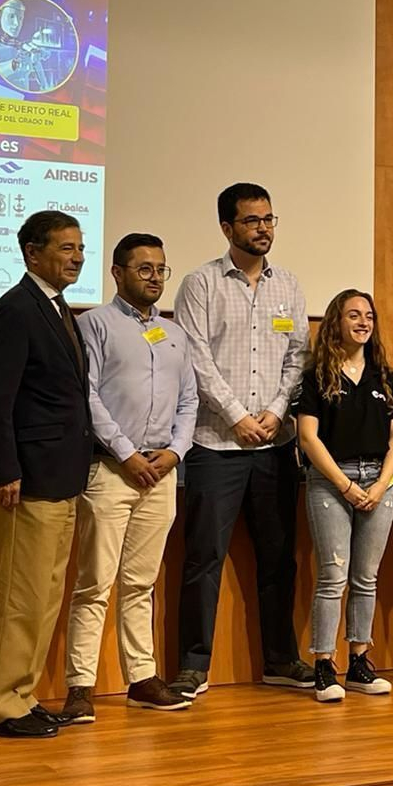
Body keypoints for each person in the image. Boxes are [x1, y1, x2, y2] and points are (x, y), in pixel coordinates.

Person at [170, 183, 312, 699]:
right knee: (203, 558)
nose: (263, 228)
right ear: (227, 228)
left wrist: (274, 412)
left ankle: (280, 659)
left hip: (274, 446)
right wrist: (236, 417)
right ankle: (193, 665)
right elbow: (195, 359)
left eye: (269, 219)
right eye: (252, 221)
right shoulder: (200, 284)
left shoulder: (289, 285)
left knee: (279, 559)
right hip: (216, 445)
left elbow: (298, 357)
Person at [59, 235, 197, 721]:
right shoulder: (93, 324)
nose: (155, 277)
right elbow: (87, 396)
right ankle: (80, 687)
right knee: (94, 583)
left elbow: (189, 400)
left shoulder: (175, 333)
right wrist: (127, 453)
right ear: (117, 273)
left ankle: (141, 679)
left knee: (141, 583)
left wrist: (175, 452)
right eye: (144, 269)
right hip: (111, 470)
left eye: (161, 269)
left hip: (160, 473)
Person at [0, 210, 93, 738]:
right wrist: (4, 471)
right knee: (20, 599)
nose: (77, 257)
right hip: (28, 480)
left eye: (80, 248)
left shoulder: (58, 308)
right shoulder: (15, 310)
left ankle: (23, 695)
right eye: (66, 248)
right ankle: (0, 707)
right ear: (32, 253)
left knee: (44, 598)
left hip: (62, 477)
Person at [295, 290, 393, 702]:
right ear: (336, 322)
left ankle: (359, 661)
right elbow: (308, 438)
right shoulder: (317, 376)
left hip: (379, 482)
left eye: (369, 316)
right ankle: (324, 666)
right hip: (331, 482)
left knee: (366, 577)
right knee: (333, 575)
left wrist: (380, 484)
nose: (363, 322)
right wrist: (345, 485)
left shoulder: (385, 376)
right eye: (354, 315)